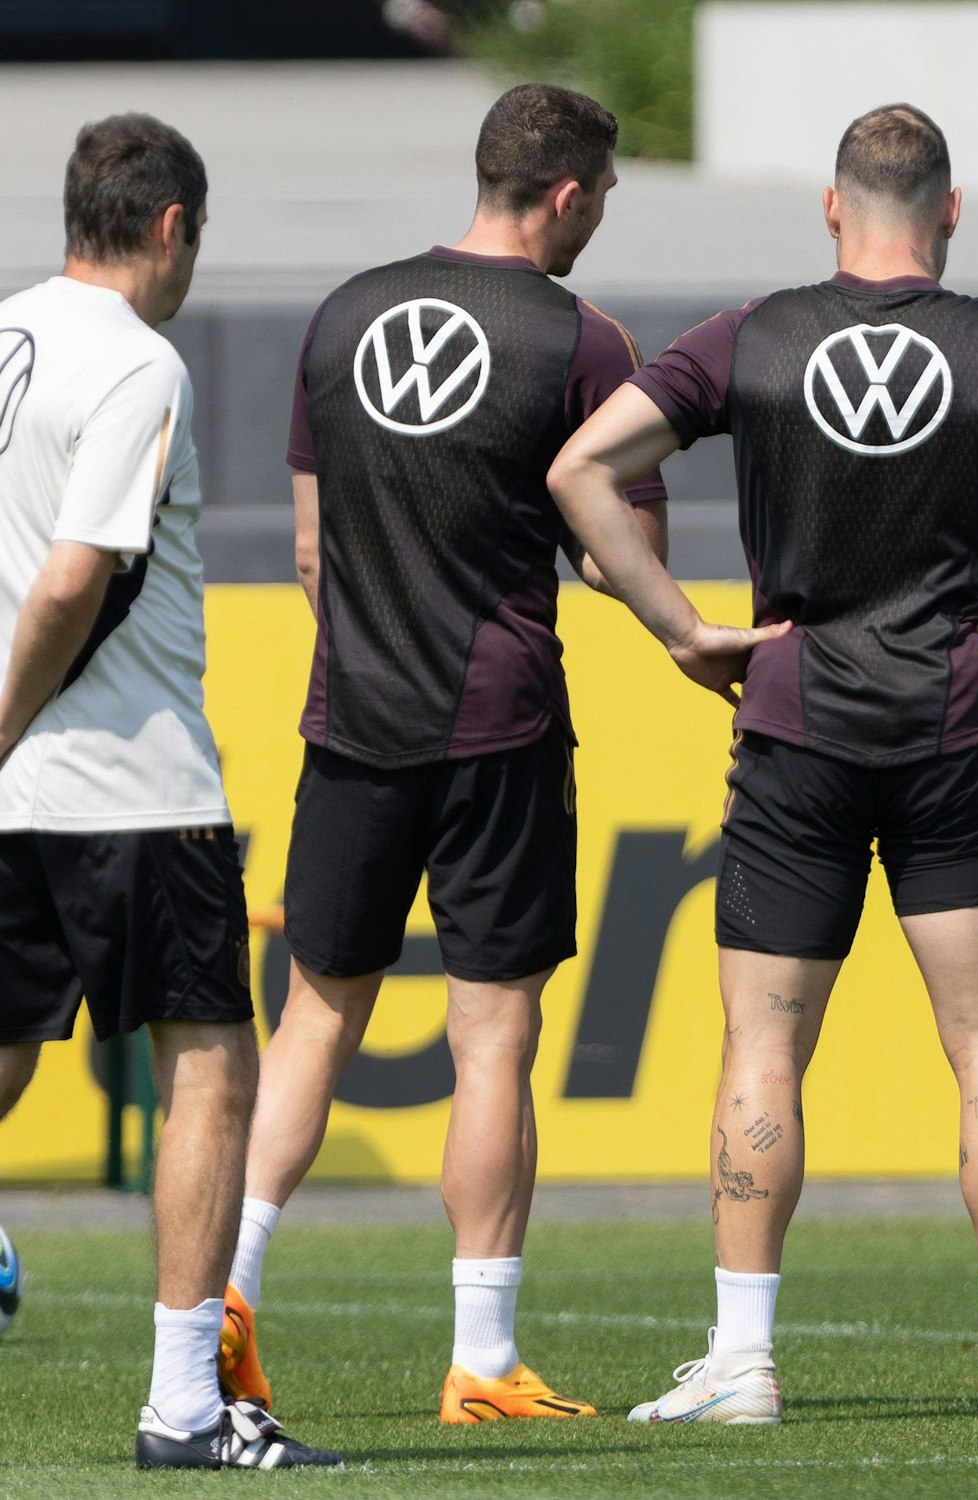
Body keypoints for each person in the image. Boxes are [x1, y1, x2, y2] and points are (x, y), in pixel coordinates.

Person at [548, 102, 978, 1424]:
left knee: (761, 1050)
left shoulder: (751, 336)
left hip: (795, 729)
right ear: (951, 212)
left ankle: (744, 1364)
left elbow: (580, 469)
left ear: (834, 208)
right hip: (959, 727)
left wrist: (678, 625)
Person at [217, 83, 667, 1425]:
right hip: (500, 724)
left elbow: (311, 550)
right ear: (570, 195)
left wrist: (376, 652)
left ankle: (222, 1293)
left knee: (313, 1016)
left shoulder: (343, 313)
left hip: (351, 721)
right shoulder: (584, 340)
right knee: (492, 1038)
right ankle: (480, 1355)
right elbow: (612, 552)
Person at [0, 114, 341, 1471]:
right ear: (169, 227)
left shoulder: (6, 332)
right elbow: (80, 574)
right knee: (209, 1064)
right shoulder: (139, 361)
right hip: (131, 783)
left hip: (24, 797)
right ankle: (186, 1407)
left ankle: (193, 1401)